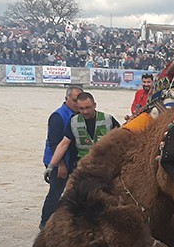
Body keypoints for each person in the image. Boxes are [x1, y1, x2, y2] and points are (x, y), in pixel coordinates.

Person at [45, 92, 120, 183]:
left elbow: (122, 141)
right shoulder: (74, 122)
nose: (85, 111)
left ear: (94, 105)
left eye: (88, 108)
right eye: (81, 108)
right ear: (77, 107)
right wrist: (51, 166)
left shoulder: (108, 119)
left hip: (105, 166)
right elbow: (64, 144)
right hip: (83, 166)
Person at [40, 85, 83, 230]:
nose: (78, 103)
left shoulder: (79, 116)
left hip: (72, 160)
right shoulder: (58, 116)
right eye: (75, 100)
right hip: (57, 161)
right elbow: (54, 143)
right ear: (66, 99)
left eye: (80, 100)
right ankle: (45, 222)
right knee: (55, 192)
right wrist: (61, 165)